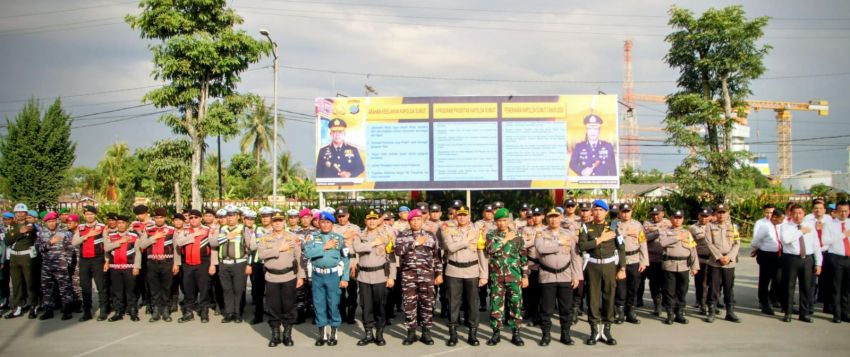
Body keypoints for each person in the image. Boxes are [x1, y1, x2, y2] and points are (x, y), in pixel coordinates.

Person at [395, 209, 443, 346]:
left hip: (427, 276)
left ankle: (426, 333)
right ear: (409, 221)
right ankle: (411, 333)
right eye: (413, 220)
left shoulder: (430, 235)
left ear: (422, 221)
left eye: (418, 220)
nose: (416, 222)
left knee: (427, 304)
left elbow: (437, 257)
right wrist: (414, 243)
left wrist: (439, 274)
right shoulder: (402, 235)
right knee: (409, 305)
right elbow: (398, 251)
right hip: (408, 276)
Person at [535, 208, 582, 346]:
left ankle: (565, 334)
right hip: (547, 275)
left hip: (565, 275)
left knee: (565, 308)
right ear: (546, 219)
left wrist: (576, 276)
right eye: (550, 217)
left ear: (561, 218)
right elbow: (541, 249)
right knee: (546, 308)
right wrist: (559, 243)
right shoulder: (540, 233)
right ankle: (546, 335)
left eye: (556, 217)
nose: (553, 219)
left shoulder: (568, 234)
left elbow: (575, 256)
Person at [440, 205, 487, 346]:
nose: (461, 217)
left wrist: (484, 274)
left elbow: (481, 253)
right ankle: (453, 334)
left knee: (473, 304)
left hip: (472, 270)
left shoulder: (477, 231)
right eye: (459, 215)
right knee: (453, 303)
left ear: (469, 217)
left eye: (464, 215)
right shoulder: (447, 230)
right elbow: (451, 247)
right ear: (455, 216)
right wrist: (466, 241)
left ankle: (472, 334)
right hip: (453, 270)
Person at [259, 211, 305, 347]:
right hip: (272, 277)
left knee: (289, 306)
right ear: (272, 223)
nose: (278, 223)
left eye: (280, 220)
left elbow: (299, 257)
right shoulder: (265, 238)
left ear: (284, 222)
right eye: (275, 221)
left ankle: (287, 334)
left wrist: (301, 276)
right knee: (273, 307)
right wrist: (279, 248)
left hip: (289, 276)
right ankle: (275, 335)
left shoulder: (292, 237)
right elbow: (261, 254)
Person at [304, 212, 350, 346]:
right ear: (319, 223)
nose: (325, 225)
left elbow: (346, 259)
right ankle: (322, 334)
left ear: (332, 224)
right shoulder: (312, 237)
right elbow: (307, 253)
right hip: (317, 275)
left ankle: (334, 333)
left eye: (328, 222)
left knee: (333, 304)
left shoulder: (339, 239)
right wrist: (323, 247)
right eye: (322, 222)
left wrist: (345, 278)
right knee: (319, 305)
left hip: (333, 276)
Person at [353, 209, 397, 346]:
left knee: (380, 306)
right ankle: (368, 333)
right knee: (366, 307)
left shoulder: (386, 235)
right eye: (369, 219)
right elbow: (357, 248)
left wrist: (391, 277)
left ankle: (379, 333)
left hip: (380, 276)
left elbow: (391, 258)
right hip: (364, 276)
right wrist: (372, 243)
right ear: (365, 221)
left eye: (374, 218)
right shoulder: (359, 235)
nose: (372, 221)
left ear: (378, 220)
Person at [485, 208, 528, 346]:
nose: (502, 223)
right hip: (497, 277)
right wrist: (504, 240)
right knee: (496, 306)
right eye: (499, 221)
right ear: (495, 222)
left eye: (504, 220)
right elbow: (490, 250)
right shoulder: (491, 235)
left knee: (516, 305)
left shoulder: (518, 235)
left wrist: (525, 276)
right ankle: (496, 333)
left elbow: (523, 256)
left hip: (514, 276)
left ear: (508, 220)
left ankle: (516, 333)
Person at [780, 204, 823, 323]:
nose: (797, 216)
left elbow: (816, 245)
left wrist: (818, 263)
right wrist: (800, 231)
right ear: (790, 214)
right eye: (795, 213)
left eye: (800, 213)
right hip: (791, 259)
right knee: (789, 286)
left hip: (807, 259)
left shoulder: (810, 226)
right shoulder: (785, 226)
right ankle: (787, 312)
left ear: (804, 213)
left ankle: (804, 313)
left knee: (806, 287)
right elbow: (786, 240)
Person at [659, 209, 700, 325]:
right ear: (671, 219)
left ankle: (680, 313)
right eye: (675, 218)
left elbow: (693, 250)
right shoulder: (664, 231)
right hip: (670, 265)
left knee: (682, 290)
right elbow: (662, 243)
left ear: (683, 219)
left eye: (680, 218)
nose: (677, 220)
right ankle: (670, 314)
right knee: (669, 291)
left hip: (684, 266)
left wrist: (694, 266)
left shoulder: (687, 233)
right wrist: (677, 237)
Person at [176, 209, 217, 323]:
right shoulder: (185, 231)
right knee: (188, 289)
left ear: (200, 218)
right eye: (191, 217)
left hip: (203, 263)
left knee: (204, 289)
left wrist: (212, 264)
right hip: (188, 264)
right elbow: (179, 242)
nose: (193, 219)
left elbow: (214, 248)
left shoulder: (208, 230)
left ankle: (204, 311)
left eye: (196, 217)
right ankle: (188, 312)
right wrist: (193, 235)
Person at [136, 208, 177, 322]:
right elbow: (142, 245)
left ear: (165, 218)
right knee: (154, 289)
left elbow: (175, 248)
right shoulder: (148, 230)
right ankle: (156, 311)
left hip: (167, 263)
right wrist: (154, 237)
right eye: (157, 217)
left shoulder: (171, 230)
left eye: (161, 217)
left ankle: (165, 310)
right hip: (152, 263)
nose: (159, 220)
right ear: (154, 218)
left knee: (166, 288)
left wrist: (176, 264)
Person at [216, 206, 256, 323]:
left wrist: (249, 264)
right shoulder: (222, 229)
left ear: (238, 217)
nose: (230, 218)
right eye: (228, 215)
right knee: (226, 289)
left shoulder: (244, 229)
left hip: (239, 263)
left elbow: (251, 248)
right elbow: (214, 242)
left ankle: (238, 313)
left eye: (233, 215)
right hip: (224, 263)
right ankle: (229, 313)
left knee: (238, 289)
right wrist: (227, 237)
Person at [704, 204, 741, 323]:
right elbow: (709, 243)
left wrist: (729, 257)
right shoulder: (710, 226)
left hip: (729, 262)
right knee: (713, 287)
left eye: (724, 212)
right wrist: (720, 257)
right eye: (719, 212)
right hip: (715, 261)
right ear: (715, 214)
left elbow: (737, 243)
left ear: (728, 213)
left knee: (729, 287)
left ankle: (730, 312)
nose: (721, 215)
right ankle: (712, 311)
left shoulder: (733, 227)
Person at [71, 205, 109, 321]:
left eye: (91, 214)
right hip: (84, 261)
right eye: (87, 214)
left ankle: (103, 311)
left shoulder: (102, 227)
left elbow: (106, 246)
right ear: (84, 215)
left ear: (95, 215)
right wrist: (87, 236)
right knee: (85, 287)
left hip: (98, 259)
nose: (89, 216)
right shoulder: (80, 227)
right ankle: (87, 312)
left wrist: (107, 261)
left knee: (101, 286)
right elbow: (74, 242)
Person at [35, 212, 75, 320]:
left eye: (53, 221)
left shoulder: (64, 233)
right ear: (45, 223)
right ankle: (49, 310)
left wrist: (68, 263)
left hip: (61, 265)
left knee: (65, 288)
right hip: (47, 265)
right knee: (47, 288)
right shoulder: (41, 234)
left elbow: (70, 249)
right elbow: (38, 249)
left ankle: (67, 310)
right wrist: (50, 243)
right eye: (49, 221)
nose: (52, 223)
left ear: (56, 221)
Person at [104, 215, 143, 322]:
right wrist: (120, 241)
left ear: (127, 224)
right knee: (117, 291)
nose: (121, 225)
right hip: (115, 268)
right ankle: (118, 312)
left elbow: (138, 252)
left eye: (123, 223)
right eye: (119, 223)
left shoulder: (134, 235)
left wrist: (137, 266)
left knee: (131, 291)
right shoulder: (111, 235)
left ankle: (133, 311)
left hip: (129, 267)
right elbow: (106, 248)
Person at [4, 203, 38, 319]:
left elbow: (30, 232)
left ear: (26, 213)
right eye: (17, 212)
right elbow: (7, 241)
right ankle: (17, 307)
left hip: (26, 257)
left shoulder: (30, 225)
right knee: (16, 283)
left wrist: (20, 231)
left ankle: (33, 305)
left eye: (22, 212)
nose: (20, 214)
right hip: (14, 257)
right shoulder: (12, 225)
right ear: (15, 213)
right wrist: (19, 232)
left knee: (30, 283)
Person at [750, 208, 786, 316]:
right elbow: (756, 241)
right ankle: (764, 303)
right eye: (781, 218)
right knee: (765, 280)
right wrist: (758, 248)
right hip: (766, 255)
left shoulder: (782, 226)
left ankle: (772, 298)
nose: (782, 220)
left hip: (779, 255)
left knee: (778, 279)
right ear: (774, 217)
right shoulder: (765, 227)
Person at [615, 203, 647, 324]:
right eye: (623, 211)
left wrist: (644, 261)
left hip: (634, 259)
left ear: (631, 212)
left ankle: (630, 312)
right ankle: (620, 313)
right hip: (620, 260)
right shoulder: (614, 224)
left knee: (633, 287)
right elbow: (613, 238)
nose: (626, 214)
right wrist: (625, 233)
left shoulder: (637, 225)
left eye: (628, 211)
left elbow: (643, 242)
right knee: (620, 288)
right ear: (619, 213)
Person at [823, 201, 850, 323]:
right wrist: (842, 235)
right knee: (836, 287)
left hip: (849, 258)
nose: (843, 213)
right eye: (841, 211)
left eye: (846, 211)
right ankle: (837, 313)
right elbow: (825, 241)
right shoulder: (829, 224)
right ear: (836, 212)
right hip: (836, 257)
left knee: (847, 288)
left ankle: (845, 312)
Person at [333, 206, 361, 325]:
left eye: (343, 216)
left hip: (352, 261)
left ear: (348, 215)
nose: (341, 218)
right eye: (339, 216)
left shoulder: (355, 228)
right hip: (338, 262)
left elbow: (359, 247)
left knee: (352, 290)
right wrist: (344, 238)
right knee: (339, 291)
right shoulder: (333, 228)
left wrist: (356, 263)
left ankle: (351, 315)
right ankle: (342, 315)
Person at [641, 205, 670, 317]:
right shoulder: (646, 223)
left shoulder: (669, 222)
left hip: (665, 256)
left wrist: (656, 231)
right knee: (654, 283)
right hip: (652, 258)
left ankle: (667, 303)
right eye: (653, 214)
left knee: (666, 283)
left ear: (663, 213)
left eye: (657, 214)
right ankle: (657, 304)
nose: (655, 216)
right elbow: (644, 237)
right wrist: (659, 231)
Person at [690, 207, 714, 315]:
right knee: (701, 283)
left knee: (713, 283)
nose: (704, 218)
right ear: (698, 215)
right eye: (702, 216)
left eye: (706, 216)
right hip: (700, 258)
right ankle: (702, 303)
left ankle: (712, 303)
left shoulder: (715, 226)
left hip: (713, 258)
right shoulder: (693, 228)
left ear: (710, 216)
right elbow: (691, 244)